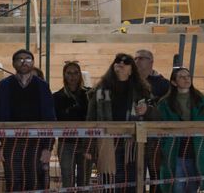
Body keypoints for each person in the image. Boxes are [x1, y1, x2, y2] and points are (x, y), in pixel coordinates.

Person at [0, 49, 56, 192]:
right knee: (13, 182)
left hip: (36, 144)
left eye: (28, 59)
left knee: (35, 183)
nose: (24, 62)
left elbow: (50, 118)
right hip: (11, 144)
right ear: (13, 63)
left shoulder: (42, 86)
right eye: (20, 59)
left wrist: (48, 147)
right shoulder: (3, 86)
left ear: (33, 63)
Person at [86, 53, 155, 193]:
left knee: (131, 182)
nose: (121, 64)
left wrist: (147, 110)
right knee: (109, 181)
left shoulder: (141, 90)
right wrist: (88, 145)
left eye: (126, 62)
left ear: (131, 70)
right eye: (118, 61)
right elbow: (91, 119)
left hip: (133, 144)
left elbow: (156, 115)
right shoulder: (100, 90)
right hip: (107, 142)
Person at [156, 67, 204, 193]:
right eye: (181, 77)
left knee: (192, 188)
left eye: (188, 76)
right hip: (175, 152)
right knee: (176, 187)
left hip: (197, 151)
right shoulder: (164, 104)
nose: (186, 79)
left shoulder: (201, 100)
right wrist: (163, 146)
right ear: (173, 82)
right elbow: (159, 127)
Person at [134, 49, 170, 191]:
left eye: (141, 58)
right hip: (134, 137)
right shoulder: (129, 82)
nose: (137, 61)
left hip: (156, 138)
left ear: (151, 62)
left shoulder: (164, 85)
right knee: (136, 176)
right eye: (135, 58)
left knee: (157, 175)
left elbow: (166, 112)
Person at [52, 61, 91, 189]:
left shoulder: (89, 95)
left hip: (85, 143)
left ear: (80, 75)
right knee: (67, 179)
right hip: (66, 143)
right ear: (64, 75)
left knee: (84, 180)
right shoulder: (57, 97)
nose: (72, 76)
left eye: (75, 73)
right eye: (69, 73)